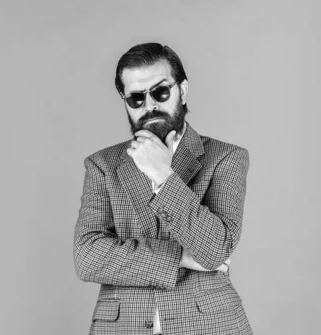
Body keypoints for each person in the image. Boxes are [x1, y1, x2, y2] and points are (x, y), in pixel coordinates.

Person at [73, 42, 253, 335]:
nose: (150, 105)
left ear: (182, 90)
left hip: (209, 326)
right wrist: (181, 257)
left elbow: (215, 250)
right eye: (136, 98)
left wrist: (162, 174)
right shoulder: (102, 165)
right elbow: (88, 257)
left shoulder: (225, 157)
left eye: (160, 92)